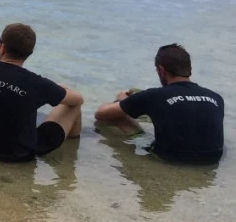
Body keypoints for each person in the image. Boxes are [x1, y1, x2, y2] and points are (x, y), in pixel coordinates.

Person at [0, 23, 83, 162]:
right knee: (73, 106)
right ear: (29, 53)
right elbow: (78, 99)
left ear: (1, 45)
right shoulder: (35, 83)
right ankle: (74, 145)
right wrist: (59, 88)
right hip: (18, 154)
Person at [94, 44, 224, 164]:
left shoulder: (154, 95)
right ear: (189, 69)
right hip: (212, 158)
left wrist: (121, 101)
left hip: (170, 157)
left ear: (161, 70)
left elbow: (101, 114)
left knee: (118, 117)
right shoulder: (216, 98)